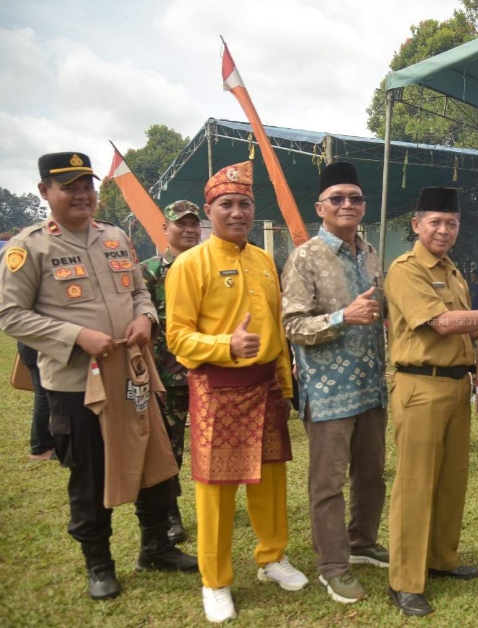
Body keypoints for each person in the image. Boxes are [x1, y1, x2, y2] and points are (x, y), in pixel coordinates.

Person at [0, 152, 197, 601]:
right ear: (45, 192)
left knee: (155, 461)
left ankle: (156, 547)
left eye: (87, 186)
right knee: (88, 474)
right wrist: (75, 335)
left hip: (133, 371)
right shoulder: (28, 247)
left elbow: (141, 291)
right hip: (75, 383)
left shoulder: (115, 237)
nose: (82, 195)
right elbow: (9, 314)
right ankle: (99, 563)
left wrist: (145, 318)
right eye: (69, 187)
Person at [165, 161, 307, 623]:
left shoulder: (264, 260)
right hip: (218, 387)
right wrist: (225, 344)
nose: (238, 211)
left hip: (265, 385)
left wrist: (285, 386)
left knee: (270, 478)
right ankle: (216, 580)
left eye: (245, 203)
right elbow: (177, 337)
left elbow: (278, 332)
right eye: (227, 204)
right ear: (209, 212)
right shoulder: (190, 264)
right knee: (216, 488)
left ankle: (272, 557)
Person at [384, 187, 478, 616]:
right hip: (419, 387)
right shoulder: (406, 270)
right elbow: (443, 323)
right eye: (435, 223)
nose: (443, 230)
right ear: (417, 225)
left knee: (451, 478)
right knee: (415, 483)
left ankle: (442, 558)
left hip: (457, 385)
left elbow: (471, 330)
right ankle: (405, 580)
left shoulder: (455, 272)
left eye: (451, 224)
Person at [281, 162, 388, 605]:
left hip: (371, 386)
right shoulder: (305, 255)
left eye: (355, 198)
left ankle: (362, 540)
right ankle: (332, 566)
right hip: (327, 393)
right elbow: (292, 325)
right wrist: (345, 316)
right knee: (328, 483)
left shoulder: (369, 252)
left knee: (372, 473)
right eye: (338, 198)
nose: (348, 205)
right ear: (320, 207)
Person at [141, 200, 202, 544]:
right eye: (181, 223)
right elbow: (142, 327)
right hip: (169, 376)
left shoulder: (210, 265)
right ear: (165, 228)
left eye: (194, 223)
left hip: (209, 371)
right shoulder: (148, 272)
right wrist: (150, 377)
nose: (189, 229)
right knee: (169, 448)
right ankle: (170, 514)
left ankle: (215, 502)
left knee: (214, 444)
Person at [18, 341, 55, 460]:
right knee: (43, 398)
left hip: (33, 349)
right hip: (36, 351)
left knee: (44, 397)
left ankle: (46, 441)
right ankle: (39, 449)